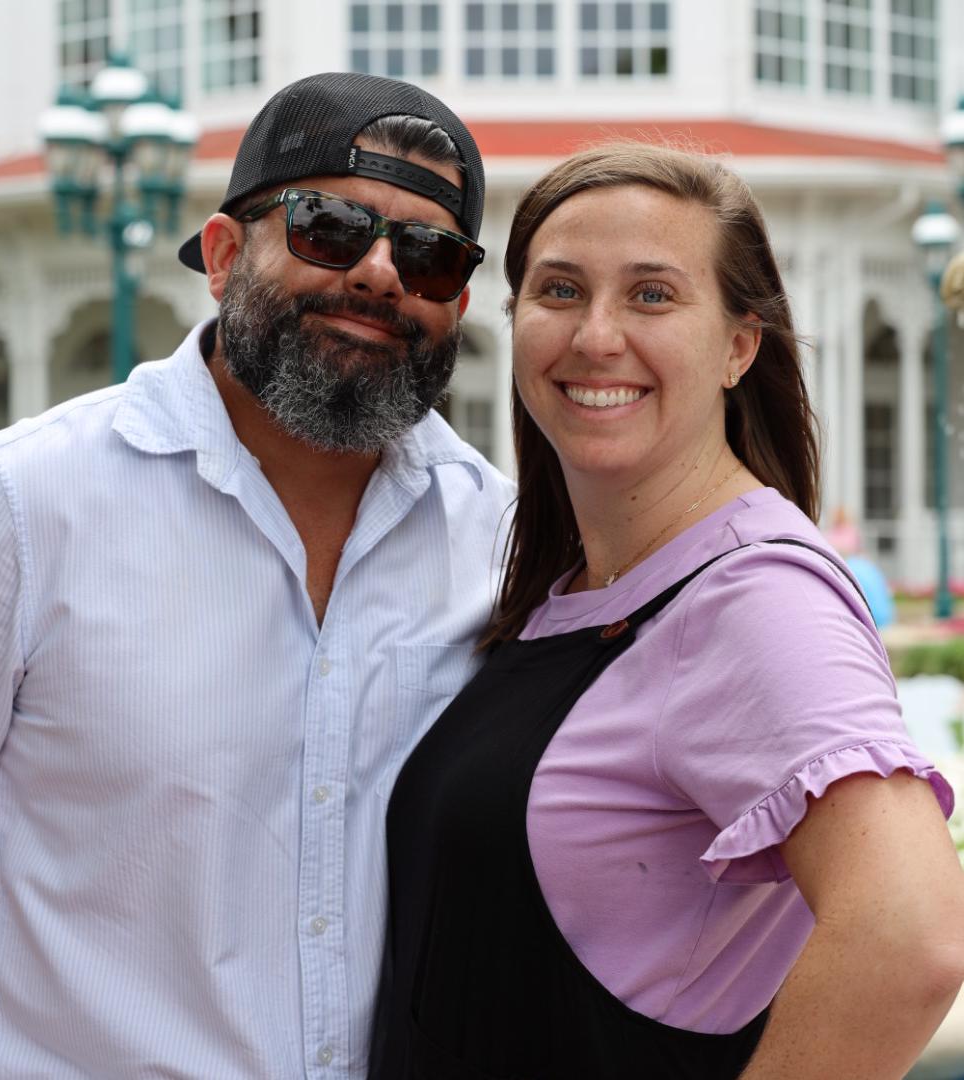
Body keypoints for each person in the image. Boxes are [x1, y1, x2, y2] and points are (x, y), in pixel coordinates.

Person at [0, 71, 513, 1079]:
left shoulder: (499, 539)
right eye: (329, 227)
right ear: (223, 255)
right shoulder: (18, 505)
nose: (383, 273)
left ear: (460, 303)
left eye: (431, 254)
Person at [370, 142, 964, 1080]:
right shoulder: (573, 587)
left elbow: (912, 937)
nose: (596, 336)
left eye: (652, 295)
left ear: (740, 344)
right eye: (560, 290)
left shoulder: (753, 598)